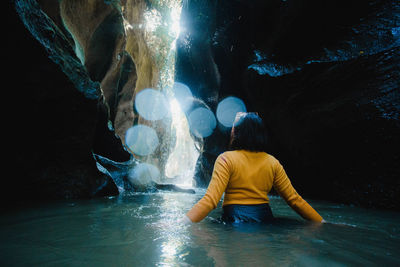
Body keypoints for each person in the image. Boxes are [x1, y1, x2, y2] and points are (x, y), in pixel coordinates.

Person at [183, 112, 325, 224]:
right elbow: (295, 200)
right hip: (264, 219)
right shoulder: (272, 162)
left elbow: (210, 200)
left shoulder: (226, 159)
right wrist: (322, 221)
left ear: (237, 133)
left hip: (234, 219)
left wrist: (182, 222)